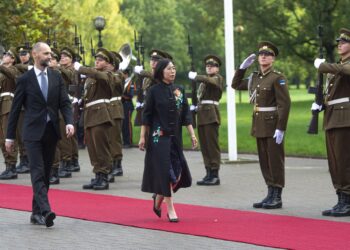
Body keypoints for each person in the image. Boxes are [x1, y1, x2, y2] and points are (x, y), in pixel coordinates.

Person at [5, 42, 74, 227]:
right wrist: (9, 137)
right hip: (32, 133)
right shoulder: (25, 79)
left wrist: (69, 122)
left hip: (51, 132)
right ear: (35, 55)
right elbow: (15, 109)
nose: (50, 56)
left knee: (46, 173)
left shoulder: (56, 76)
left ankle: (36, 214)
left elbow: (65, 103)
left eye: (50, 53)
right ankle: (46, 210)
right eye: (46, 53)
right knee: (37, 171)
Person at [232, 41, 291, 209]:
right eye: (261, 54)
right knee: (264, 160)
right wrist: (242, 68)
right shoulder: (255, 77)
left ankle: (277, 195)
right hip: (259, 124)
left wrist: (281, 127)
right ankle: (270, 192)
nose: (263, 56)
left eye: (268, 54)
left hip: (272, 125)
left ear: (273, 59)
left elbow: (284, 104)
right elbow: (235, 85)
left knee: (275, 160)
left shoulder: (277, 78)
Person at [139, 58, 197, 222]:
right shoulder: (154, 91)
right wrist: (142, 136)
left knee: (177, 174)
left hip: (175, 139)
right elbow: (147, 116)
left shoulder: (179, 90)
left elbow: (186, 114)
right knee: (166, 174)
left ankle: (158, 199)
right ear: (161, 71)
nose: (172, 71)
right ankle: (171, 209)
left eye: (174, 68)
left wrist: (192, 134)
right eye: (169, 69)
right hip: (159, 139)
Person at [312, 28, 350, 217]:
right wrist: (320, 104)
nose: (339, 44)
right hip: (332, 117)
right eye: (338, 42)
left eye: (343, 42)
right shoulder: (337, 67)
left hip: (345, 119)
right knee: (335, 162)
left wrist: (323, 65)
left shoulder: (343, 66)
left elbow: (344, 70)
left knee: (344, 161)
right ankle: (341, 197)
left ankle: (348, 199)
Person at [75, 48, 114, 190]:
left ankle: (104, 176)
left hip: (100, 115)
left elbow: (100, 77)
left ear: (108, 63)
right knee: (92, 148)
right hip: (90, 114)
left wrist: (82, 68)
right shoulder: (92, 77)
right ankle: (97, 174)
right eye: (96, 59)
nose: (97, 61)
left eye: (101, 60)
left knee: (101, 147)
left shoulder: (108, 74)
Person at [188, 55, 224, 186]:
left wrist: (196, 76)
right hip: (202, 115)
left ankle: (215, 174)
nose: (209, 67)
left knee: (212, 146)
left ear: (217, 68)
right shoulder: (204, 82)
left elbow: (211, 82)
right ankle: (208, 172)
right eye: (207, 66)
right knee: (205, 146)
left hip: (211, 115)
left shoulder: (217, 78)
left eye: (212, 66)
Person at [0, 48, 21, 180]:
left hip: (9, 105)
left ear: (13, 59)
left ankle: (12, 166)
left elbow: (8, 73)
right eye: (5, 54)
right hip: (1, 105)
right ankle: (8, 165)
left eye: (8, 55)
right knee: (2, 138)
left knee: (9, 135)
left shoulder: (14, 69)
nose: (5, 56)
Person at [121, 66, 135, 148]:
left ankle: (129, 142)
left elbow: (131, 95)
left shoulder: (130, 83)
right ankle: (125, 141)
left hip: (128, 105)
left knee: (127, 124)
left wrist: (121, 95)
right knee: (123, 124)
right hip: (122, 104)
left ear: (126, 74)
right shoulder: (122, 82)